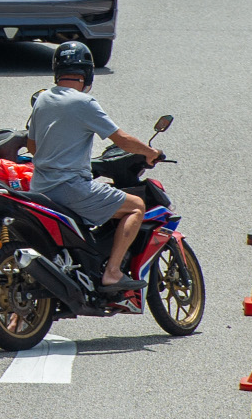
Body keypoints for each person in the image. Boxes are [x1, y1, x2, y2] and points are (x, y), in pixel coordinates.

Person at [26, 41, 161, 292]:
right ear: (87, 74)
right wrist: (150, 152)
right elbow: (121, 140)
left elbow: (33, 146)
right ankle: (112, 272)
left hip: (40, 188)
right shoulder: (83, 102)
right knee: (136, 207)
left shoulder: (43, 99)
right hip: (70, 188)